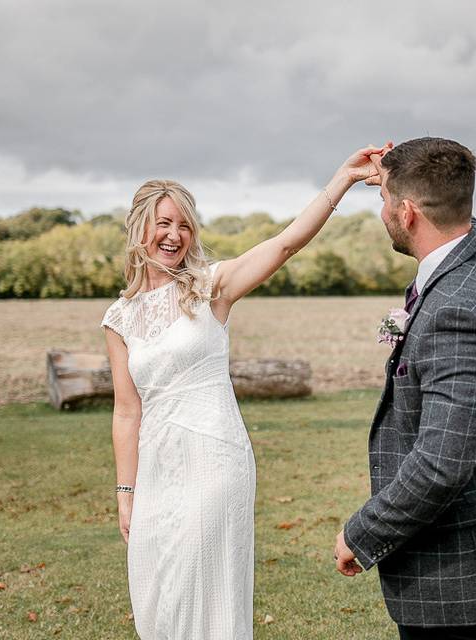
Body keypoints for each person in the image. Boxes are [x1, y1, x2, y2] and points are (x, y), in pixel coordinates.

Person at [100, 145, 385, 639]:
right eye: (163, 223)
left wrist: (341, 179)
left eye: (184, 225)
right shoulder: (118, 318)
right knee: (156, 594)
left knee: (204, 593)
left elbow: (285, 244)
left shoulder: (212, 285)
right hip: (157, 468)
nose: (174, 235)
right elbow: (127, 412)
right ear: (139, 228)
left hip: (214, 460)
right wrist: (126, 493)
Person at [334, 137, 476, 640]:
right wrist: (392, 172)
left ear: (407, 212)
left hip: (451, 564)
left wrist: (362, 534)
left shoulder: (457, 312)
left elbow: (441, 463)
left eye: (385, 199)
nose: (382, 209)